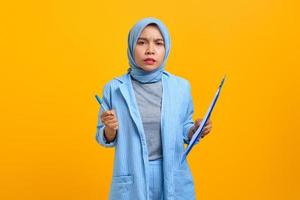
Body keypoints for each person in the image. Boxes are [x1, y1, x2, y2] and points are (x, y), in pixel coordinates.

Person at [95, 17, 212, 200]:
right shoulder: (114, 88)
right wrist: (110, 129)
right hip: (132, 175)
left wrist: (196, 130)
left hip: (171, 173)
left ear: (166, 49)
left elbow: (184, 129)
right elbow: (103, 137)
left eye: (158, 43)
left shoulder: (180, 87)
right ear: (131, 46)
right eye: (142, 42)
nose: (150, 50)